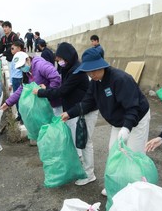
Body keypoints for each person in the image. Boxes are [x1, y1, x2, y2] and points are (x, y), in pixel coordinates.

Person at [62, 48, 150, 195]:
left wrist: (127, 128)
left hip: (137, 119)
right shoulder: (95, 83)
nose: (92, 74)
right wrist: (69, 113)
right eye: (89, 72)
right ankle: (115, 186)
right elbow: (87, 102)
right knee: (114, 152)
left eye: (94, 70)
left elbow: (132, 107)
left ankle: (137, 191)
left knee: (134, 155)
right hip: (119, 122)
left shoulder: (120, 79)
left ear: (102, 65)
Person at [34, 42, 99, 185]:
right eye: (58, 60)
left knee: (85, 142)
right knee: (79, 141)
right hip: (76, 111)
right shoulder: (69, 69)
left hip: (86, 111)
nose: (59, 62)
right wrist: (47, 88)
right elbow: (62, 88)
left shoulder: (77, 71)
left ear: (67, 56)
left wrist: (41, 92)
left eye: (60, 59)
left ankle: (89, 174)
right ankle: (83, 168)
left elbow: (62, 91)